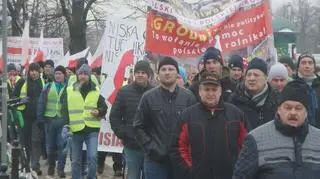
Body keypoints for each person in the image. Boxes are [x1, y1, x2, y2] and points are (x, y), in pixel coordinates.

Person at [233, 80, 320, 179]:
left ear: (306, 112)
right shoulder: (257, 138)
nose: (293, 112)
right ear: (279, 109)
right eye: (287, 107)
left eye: (298, 108)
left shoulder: (318, 139)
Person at [171, 71, 249, 179]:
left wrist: (238, 170)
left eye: (214, 89)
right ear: (200, 91)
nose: (210, 93)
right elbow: (178, 148)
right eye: (207, 89)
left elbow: (246, 146)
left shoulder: (236, 114)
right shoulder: (187, 116)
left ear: (220, 91)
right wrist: (190, 172)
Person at [134, 57, 196, 179]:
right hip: (155, 161)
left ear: (177, 73)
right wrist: (152, 148)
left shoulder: (188, 97)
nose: (167, 72)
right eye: (163, 69)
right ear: (158, 74)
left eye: (171, 69)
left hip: (181, 160)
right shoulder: (148, 97)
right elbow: (138, 126)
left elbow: (195, 127)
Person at [60, 64, 108, 179]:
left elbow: (104, 108)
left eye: (85, 74)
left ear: (89, 75)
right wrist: (66, 124)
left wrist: (99, 111)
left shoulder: (96, 90)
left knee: (92, 158)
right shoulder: (69, 90)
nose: (83, 76)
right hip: (75, 130)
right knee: (75, 160)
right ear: (77, 75)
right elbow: (64, 109)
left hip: (92, 129)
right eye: (81, 74)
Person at [110, 60, 153, 179]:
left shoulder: (155, 92)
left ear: (148, 74)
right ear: (134, 74)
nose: (140, 75)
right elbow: (114, 116)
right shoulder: (124, 92)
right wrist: (123, 133)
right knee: (132, 175)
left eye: (143, 72)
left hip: (150, 146)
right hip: (131, 145)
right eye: (138, 72)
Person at [229, 57, 278, 129]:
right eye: (249, 75)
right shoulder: (234, 100)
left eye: (256, 75)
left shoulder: (276, 101)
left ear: (266, 78)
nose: (251, 78)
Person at [14, 62, 45, 175]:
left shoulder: (42, 82)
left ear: (39, 72)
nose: (33, 73)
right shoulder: (22, 81)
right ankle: (25, 165)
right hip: (24, 116)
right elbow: (14, 97)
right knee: (25, 142)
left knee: (36, 141)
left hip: (37, 117)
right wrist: (21, 102)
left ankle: (35, 166)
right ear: (28, 71)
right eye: (32, 70)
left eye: (36, 70)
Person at [37, 65, 67, 178]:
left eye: (60, 73)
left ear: (64, 75)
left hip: (62, 121)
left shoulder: (69, 87)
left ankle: (60, 168)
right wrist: (40, 118)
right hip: (49, 120)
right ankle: (51, 166)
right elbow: (41, 102)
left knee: (62, 146)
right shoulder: (48, 86)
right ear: (54, 75)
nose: (58, 75)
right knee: (50, 146)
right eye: (56, 73)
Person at [293, 53, 320, 127]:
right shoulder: (292, 85)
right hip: (298, 128)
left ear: (314, 67)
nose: (307, 66)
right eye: (303, 63)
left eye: (310, 63)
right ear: (298, 67)